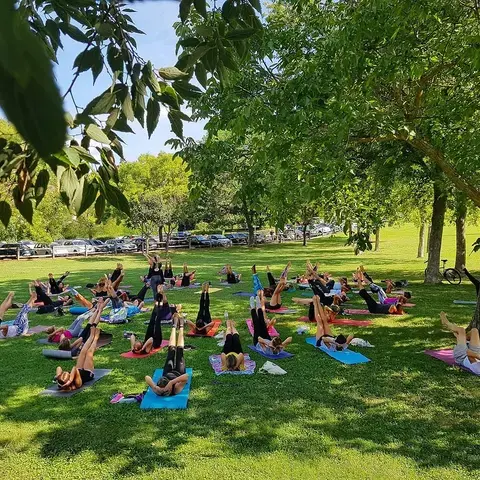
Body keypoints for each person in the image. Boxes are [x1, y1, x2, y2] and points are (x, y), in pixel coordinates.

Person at [55, 302, 105, 391]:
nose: (67, 372)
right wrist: (70, 380)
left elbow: (58, 367)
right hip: (87, 372)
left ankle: (91, 336)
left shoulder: (61, 380)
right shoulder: (77, 384)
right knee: (89, 352)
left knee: (82, 352)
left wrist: (58, 376)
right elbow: (74, 369)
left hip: (79, 369)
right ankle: (95, 337)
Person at [145, 313, 189, 396]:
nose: (164, 392)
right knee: (179, 351)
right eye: (165, 391)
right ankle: (181, 326)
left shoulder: (157, 390)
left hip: (167, 373)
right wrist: (172, 382)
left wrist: (154, 387)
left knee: (171, 350)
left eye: (164, 391)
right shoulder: (176, 389)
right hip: (179, 373)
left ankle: (174, 326)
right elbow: (186, 376)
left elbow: (147, 377)